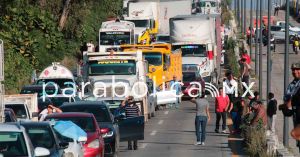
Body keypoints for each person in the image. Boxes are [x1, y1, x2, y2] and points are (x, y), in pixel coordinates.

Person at [280, 62, 300, 151]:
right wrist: (285, 107)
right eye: (293, 70)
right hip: (296, 117)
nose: (295, 71)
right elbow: (286, 99)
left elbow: (291, 101)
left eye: (297, 69)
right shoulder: (292, 85)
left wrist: (287, 104)